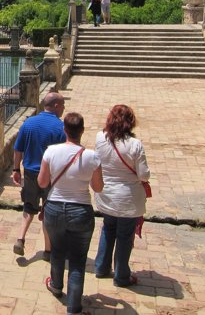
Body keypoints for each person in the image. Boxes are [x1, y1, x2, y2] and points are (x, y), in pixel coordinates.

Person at [38, 112, 103, 315]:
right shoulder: (92, 157)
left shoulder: (51, 152)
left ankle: (56, 286)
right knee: (77, 260)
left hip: (55, 208)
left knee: (57, 250)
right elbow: (98, 188)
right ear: (82, 131)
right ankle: (74, 308)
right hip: (80, 210)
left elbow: (42, 182)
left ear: (64, 130)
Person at [93, 104, 150, 287]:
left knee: (108, 229)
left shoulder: (100, 138)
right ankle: (121, 275)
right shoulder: (135, 145)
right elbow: (144, 175)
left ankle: (101, 267)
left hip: (106, 194)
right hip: (127, 198)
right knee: (125, 236)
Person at [12, 92, 66, 261]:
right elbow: (64, 155)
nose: (64, 109)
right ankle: (48, 250)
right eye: (63, 105)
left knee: (29, 207)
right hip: (50, 176)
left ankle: (20, 239)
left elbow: (17, 149)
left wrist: (15, 170)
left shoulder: (28, 123)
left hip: (29, 173)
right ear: (56, 106)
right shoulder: (60, 127)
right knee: (48, 211)